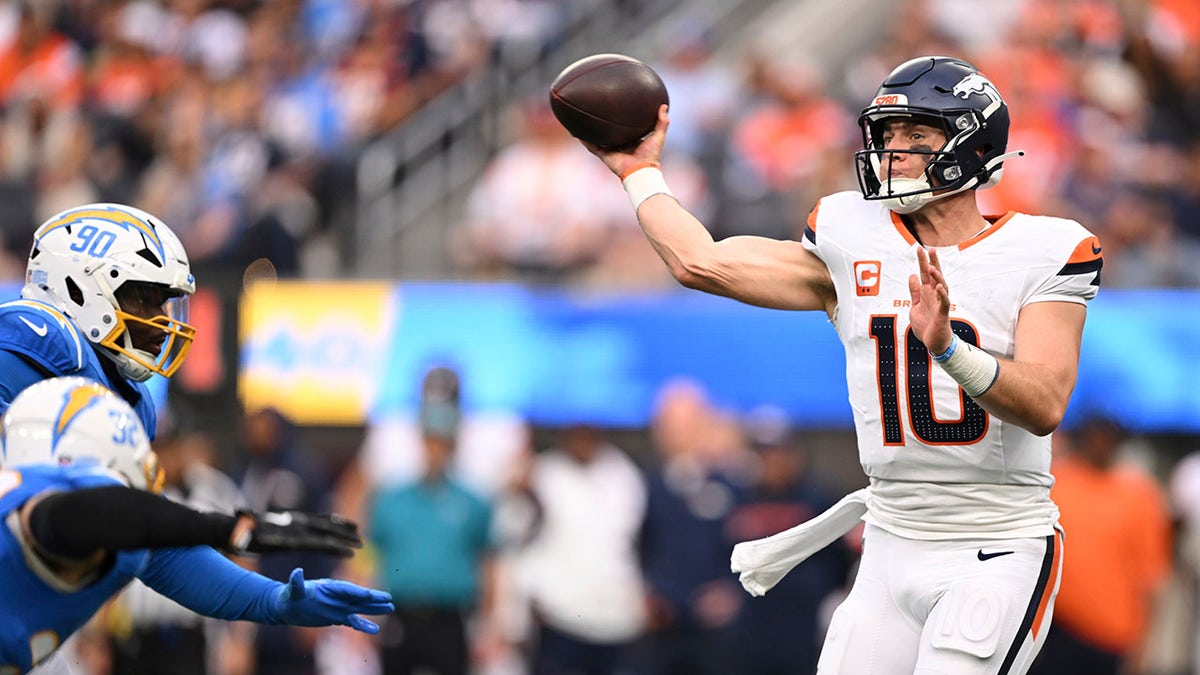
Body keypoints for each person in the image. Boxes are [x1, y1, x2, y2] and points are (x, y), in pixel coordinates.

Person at [579, 55, 1102, 674]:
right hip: (890, 538)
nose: (893, 152)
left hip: (993, 542)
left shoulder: (1043, 250)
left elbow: (1044, 404)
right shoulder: (852, 238)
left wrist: (948, 349)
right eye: (887, 136)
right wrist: (641, 173)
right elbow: (702, 261)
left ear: (971, 142)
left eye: (916, 137)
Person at [0, 376, 395, 674]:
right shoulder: (38, 512)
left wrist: (271, 601)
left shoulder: (108, 523)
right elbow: (99, 515)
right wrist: (233, 530)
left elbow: (171, 558)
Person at [0, 202, 196, 438]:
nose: (163, 320)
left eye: (164, 303)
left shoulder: (135, 399)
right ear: (77, 291)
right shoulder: (37, 343)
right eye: (144, 298)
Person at [367, 365, 497, 675]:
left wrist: (489, 625)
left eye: (442, 442)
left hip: (450, 621)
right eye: (430, 441)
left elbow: (489, 563)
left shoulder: (473, 502)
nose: (435, 450)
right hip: (400, 617)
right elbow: (370, 556)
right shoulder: (392, 499)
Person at [1028, 416, 1173, 675]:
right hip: (1058, 631)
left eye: (1107, 437)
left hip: (1113, 638)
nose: (1101, 443)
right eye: (1095, 436)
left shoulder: (1139, 494)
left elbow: (1152, 579)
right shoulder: (1058, 481)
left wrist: (1144, 648)